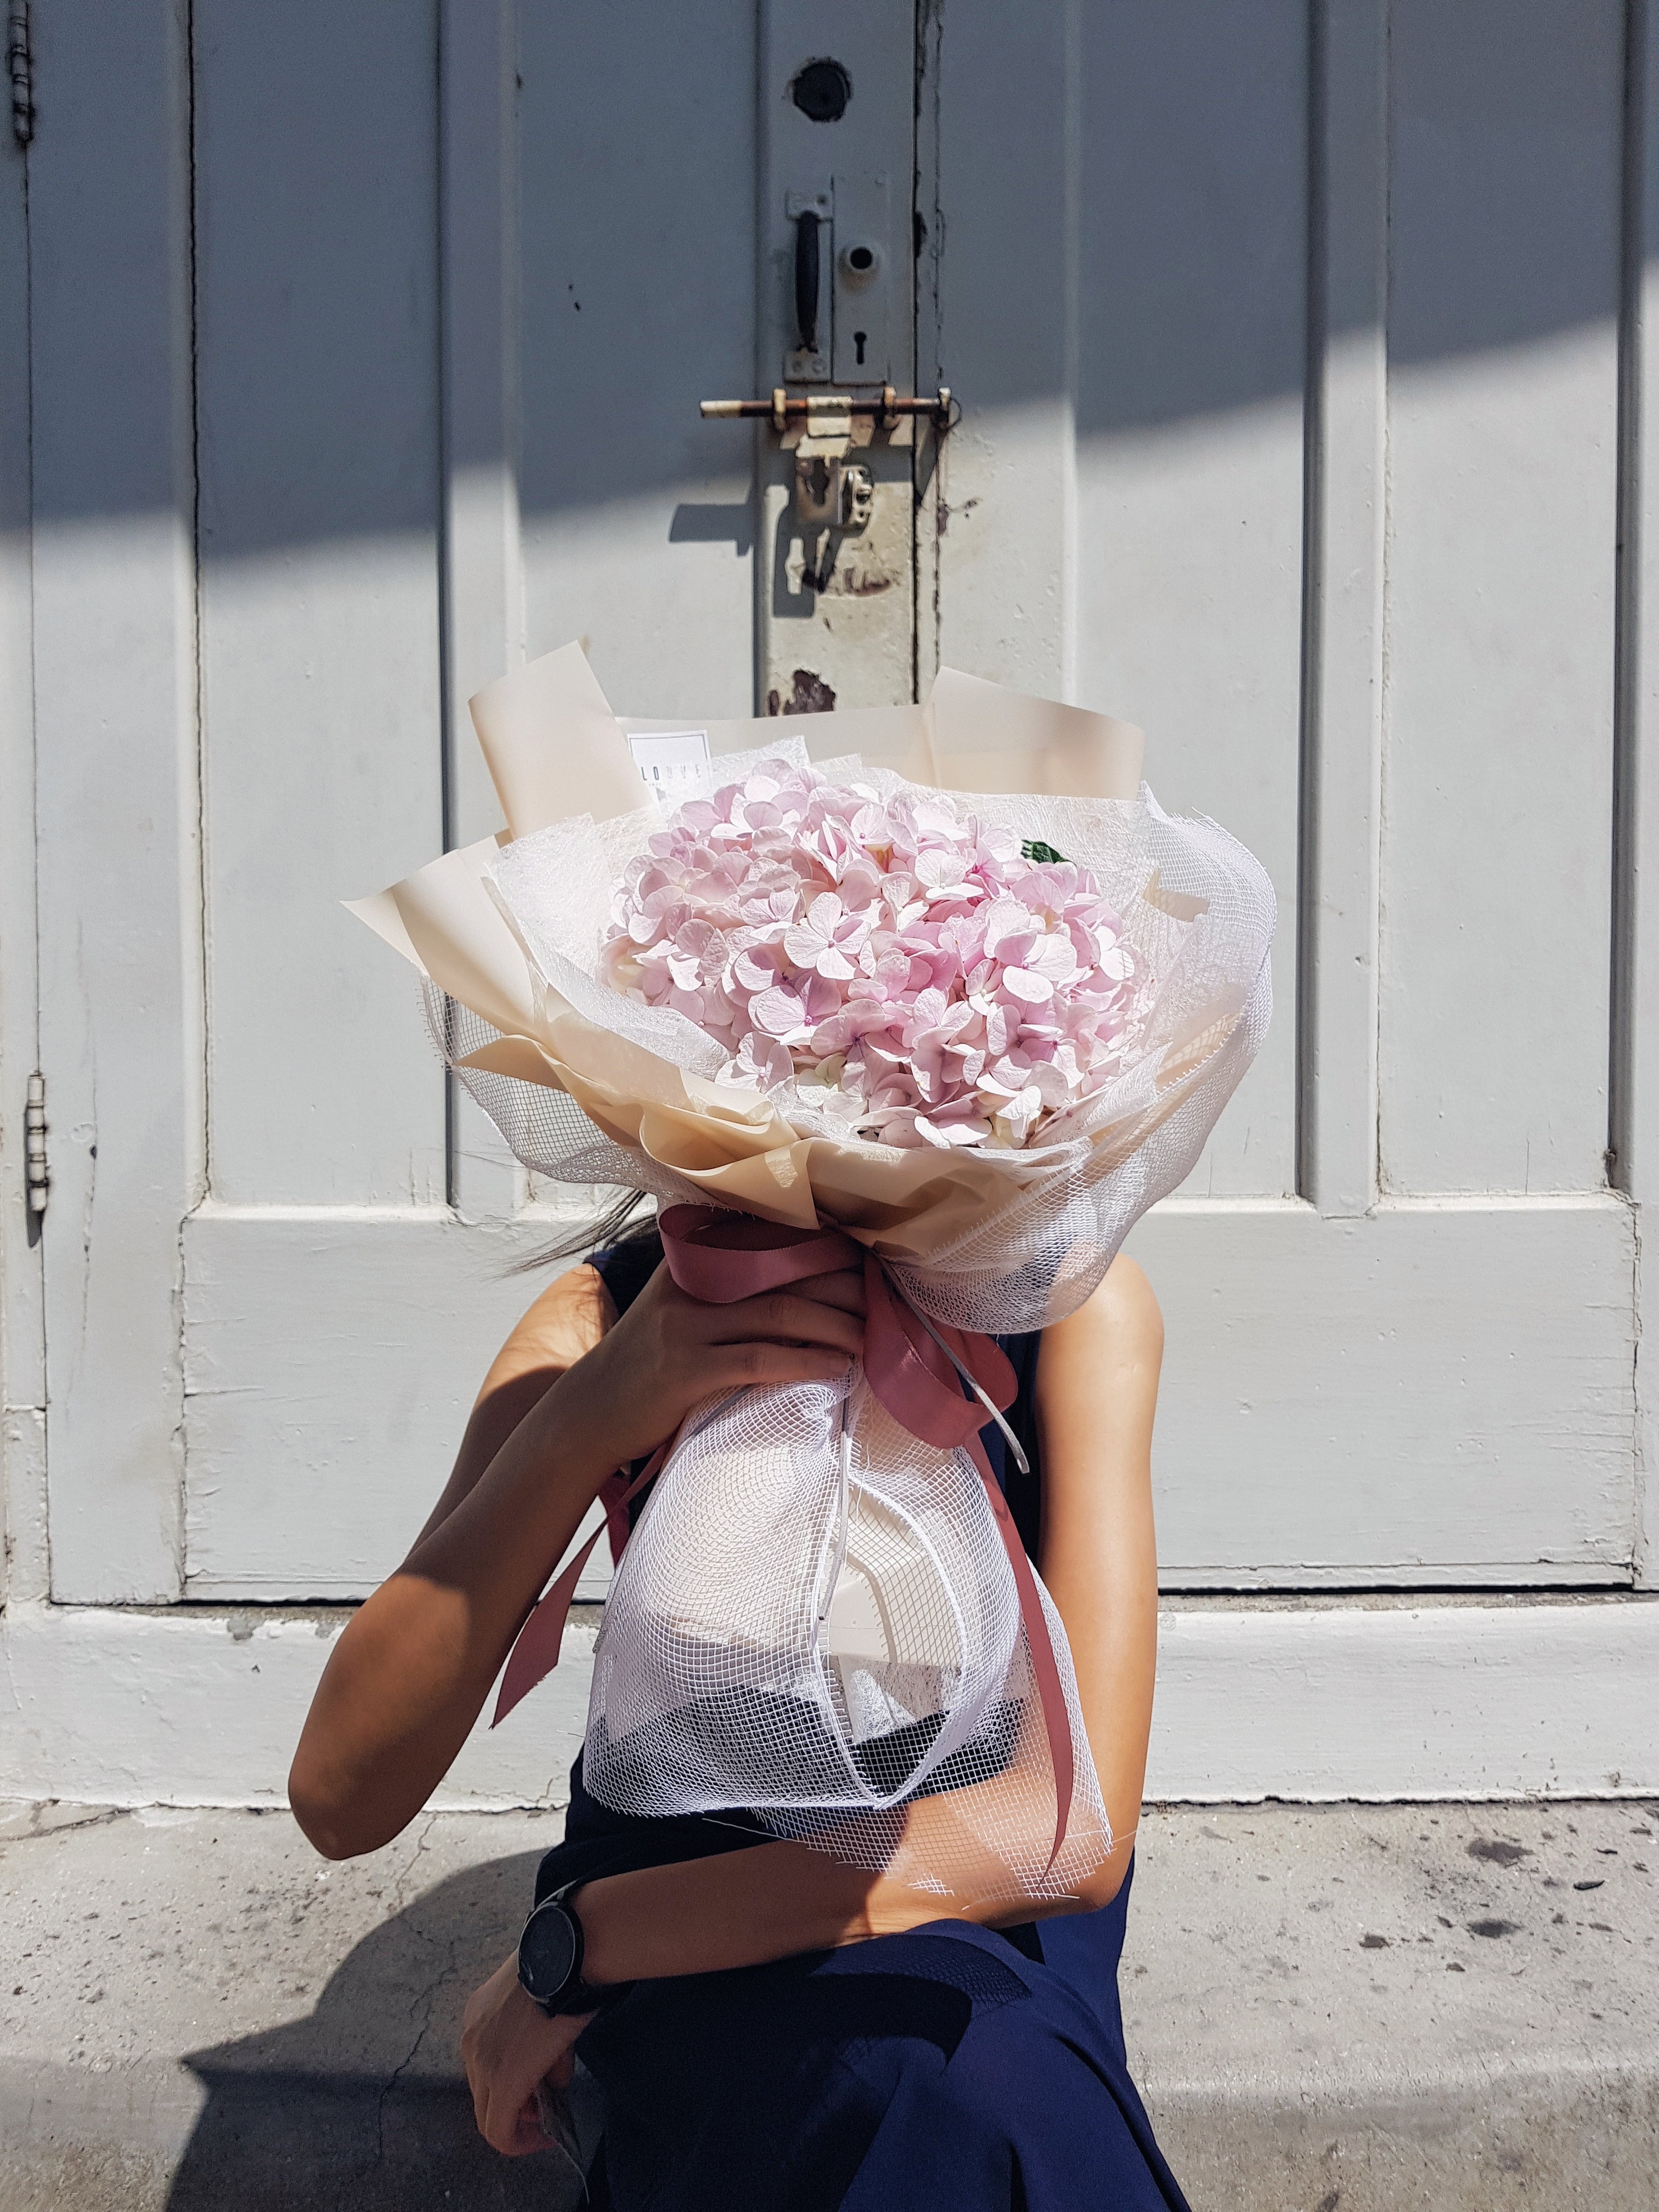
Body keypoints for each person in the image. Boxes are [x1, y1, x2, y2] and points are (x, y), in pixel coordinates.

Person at [289, 1208, 1188, 2209]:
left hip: (964, 1912)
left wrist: (586, 1941)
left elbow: (1068, 1831)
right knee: (978, 2090)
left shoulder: (1074, 1308)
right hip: (702, 1936)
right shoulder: (616, 1312)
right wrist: (595, 1410)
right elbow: (342, 1792)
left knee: (978, 2074)